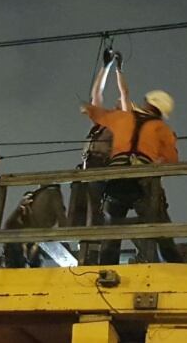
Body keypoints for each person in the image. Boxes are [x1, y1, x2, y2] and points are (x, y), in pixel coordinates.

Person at [81, 85, 184, 265]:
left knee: (113, 228)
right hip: (143, 183)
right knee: (159, 226)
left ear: (146, 103)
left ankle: (106, 268)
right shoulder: (162, 129)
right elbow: (172, 160)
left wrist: (86, 108)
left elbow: (98, 115)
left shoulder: (123, 118)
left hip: (117, 180)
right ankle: (175, 265)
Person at [67, 49, 132, 264]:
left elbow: (124, 95)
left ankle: (98, 254)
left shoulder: (124, 121)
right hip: (90, 167)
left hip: (105, 168)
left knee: (99, 212)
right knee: (86, 210)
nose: (115, 105)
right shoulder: (103, 122)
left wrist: (119, 70)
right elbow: (97, 95)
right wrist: (105, 68)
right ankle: (86, 250)